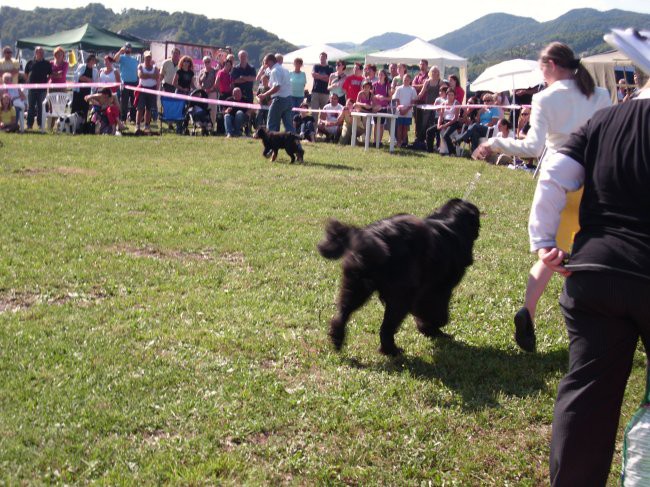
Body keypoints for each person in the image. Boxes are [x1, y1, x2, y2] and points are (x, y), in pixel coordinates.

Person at [528, 76, 650, 487]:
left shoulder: (603, 121)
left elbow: (554, 174)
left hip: (596, 272)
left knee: (587, 392)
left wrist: (544, 241)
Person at [473, 41, 611, 353]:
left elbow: (533, 149)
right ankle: (596, 325)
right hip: (594, 183)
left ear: (550, 64)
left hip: (558, 181)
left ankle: (529, 311)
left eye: (540, 66)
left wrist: (495, 143)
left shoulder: (545, 98)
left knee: (550, 255)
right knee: (591, 254)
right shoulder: (601, 94)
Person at [257, 53, 293, 133]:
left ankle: (271, 144)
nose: (265, 65)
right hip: (289, 99)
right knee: (289, 125)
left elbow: (277, 87)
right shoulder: (285, 70)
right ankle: (295, 144)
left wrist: (264, 95)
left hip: (279, 99)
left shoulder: (274, 71)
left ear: (270, 61)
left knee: (272, 124)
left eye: (265, 62)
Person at [25, 46, 52, 131]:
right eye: (39, 52)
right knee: (31, 107)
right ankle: (29, 125)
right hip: (32, 89)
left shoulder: (47, 63)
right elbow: (26, 73)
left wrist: (46, 82)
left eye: (42, 52)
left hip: (42, 90)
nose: (41, 53)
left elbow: (50, 75)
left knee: (41, 107)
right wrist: (28, 82)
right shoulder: (30, 63)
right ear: (36, 53)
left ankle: (40, 124)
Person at [415, 66, 442, 146]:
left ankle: (436, 142)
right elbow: (421, 93)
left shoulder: (440, 82)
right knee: (424, 123)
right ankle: (422, 140)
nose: (434, 73)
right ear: (430, 72)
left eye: (436, 71)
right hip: (427, 105)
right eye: (433, 71)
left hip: (437, 106)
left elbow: (444, 92)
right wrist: (415, 98)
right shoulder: (427, 81)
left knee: (434, 123)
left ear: (438, 73)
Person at [114, 42, 140, 123]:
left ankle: (132, 118)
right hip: (125, 83)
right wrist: (120, 51)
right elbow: (114, 59)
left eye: (129, 47)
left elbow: (137, 70)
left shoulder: (135, 59)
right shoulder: (121, 57)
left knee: (134, 102)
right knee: (124, 102)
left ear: (131, 49)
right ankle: (123, 119)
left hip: (134, 83)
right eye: (126, 47)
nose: (128, 49)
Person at [135, 51, 160, 134]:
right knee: (140, 108)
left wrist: (147, 75)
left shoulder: (155, 67)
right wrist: (150, 76)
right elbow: (140, 75)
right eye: (146, 57)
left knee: (149, 109)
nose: (148, 59)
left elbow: (157, 76)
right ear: (144, 58)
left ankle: (146, 125)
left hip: (151, 90)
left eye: (149, 57)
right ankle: (137, 125)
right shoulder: (140, 66)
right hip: (142, 90)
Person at [392, 73, 418, 148]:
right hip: (399, 112)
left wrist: (406, 110)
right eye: (404, 79)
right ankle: (399, 142)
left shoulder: (412, 89)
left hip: (408, 112)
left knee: (405, 128)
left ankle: (404, 142)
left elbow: (413, 101)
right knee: (399, 127)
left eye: (407, 80)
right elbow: (397, 99)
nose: (406, 81)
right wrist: (400, 109)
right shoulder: (399, 88)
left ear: (410, 80)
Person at [71, 54, 99, 122]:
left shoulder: (95, 71)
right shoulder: (82, 66)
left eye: (94, 60)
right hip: (78, 91)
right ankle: (72, 123)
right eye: (92, 60)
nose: (93, 61)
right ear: (89, 60)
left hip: (87, 92)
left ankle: (83, 124)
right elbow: (78, 77)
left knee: (85, 109)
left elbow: (94, 82)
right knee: (75, 108)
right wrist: (88, 79)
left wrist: (87, 79)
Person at [436, 88, 460, 155]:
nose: (450, 96)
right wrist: (438, 124)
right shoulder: (444, 104)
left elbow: (455, 118)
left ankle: (452, 151)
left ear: (454, 96)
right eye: (448, 95)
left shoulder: (457, 103)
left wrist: (445, 125)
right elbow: (440, 115)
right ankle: (431, 150)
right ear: (446, 95)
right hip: (445, 121)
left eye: (451, 95)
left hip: (454, 123)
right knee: (429, 131)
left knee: (446, 135)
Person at [198, 56, 218, 128]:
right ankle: (203, 126)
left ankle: (212, 126)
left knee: (212, 110)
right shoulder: (201, 71)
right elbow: (199, 82)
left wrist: (210, 89)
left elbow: (216, 83)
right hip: (203, 93)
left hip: (212, 93)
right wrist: (202, 89)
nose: (207, 63)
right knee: (203, 109)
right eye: (205, 62)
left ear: (211, 62)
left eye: (208, 61)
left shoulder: (214, 71)